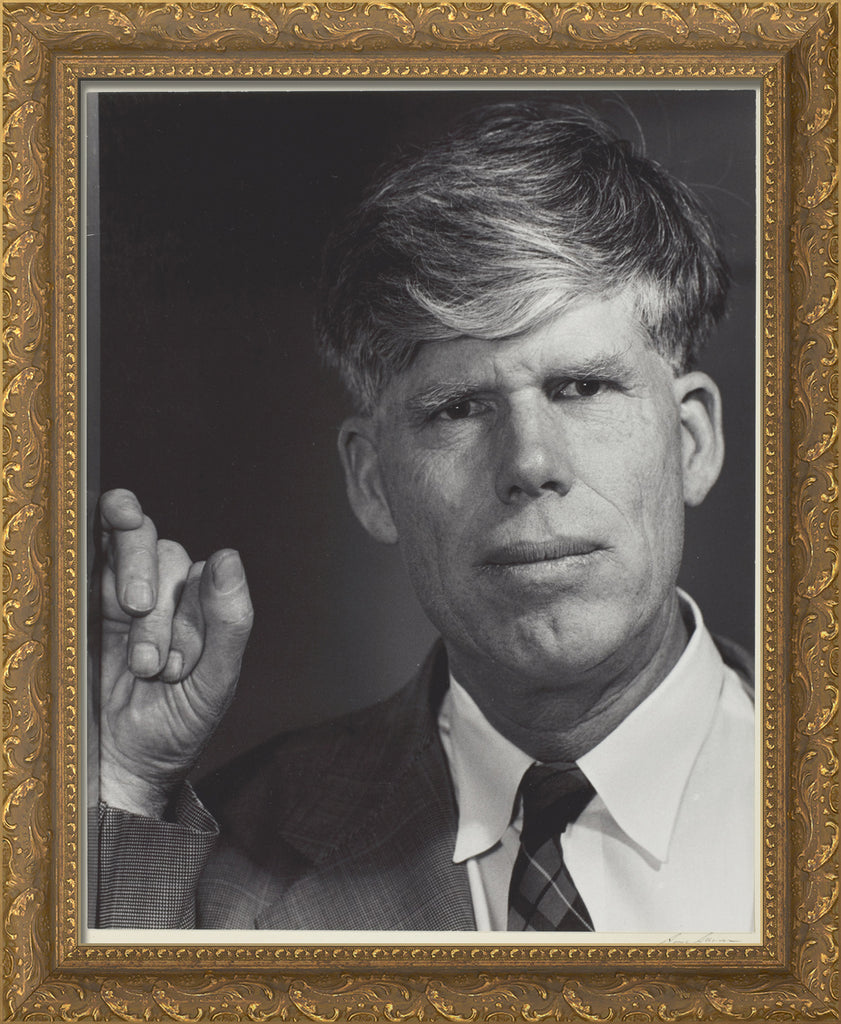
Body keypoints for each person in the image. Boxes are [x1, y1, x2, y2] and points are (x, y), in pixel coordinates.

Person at [93, 103, 754, 933]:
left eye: (581, 388)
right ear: (372, 482)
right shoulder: (218, 867)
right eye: (459, 408)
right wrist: (120, 781)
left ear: (691, 442)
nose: (528, 464)